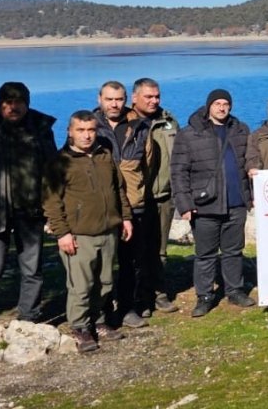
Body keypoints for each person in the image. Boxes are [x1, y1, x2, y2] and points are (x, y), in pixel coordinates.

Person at [42, 110, 133, 352]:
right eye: (81, 130)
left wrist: (125, 218)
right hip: (79, 234)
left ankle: (99, 320)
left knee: (104, 282)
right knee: (81, 285)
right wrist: (62, 233)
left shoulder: (104, 156)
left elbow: (119, 189)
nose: (87, 135)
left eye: (91, 130)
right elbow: (51, 201)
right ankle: (80, 327)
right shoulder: (59, 162)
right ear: (70, 132)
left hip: (108, 230)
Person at [0, 82, 56, 324]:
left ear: (27, 103)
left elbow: (51, 172)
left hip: (29, 211)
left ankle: (28, 315)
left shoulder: (40, 130)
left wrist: (52, 211)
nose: (13, 107)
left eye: (19, 102)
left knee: (32, 270)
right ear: (0, 104)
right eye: (8, 102)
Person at [171, 89, 255, 317]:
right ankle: (205, 296)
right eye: (217, 103)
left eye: (226, 103)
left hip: (236, 203)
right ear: (209, 106)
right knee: (205, 254)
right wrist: (184, 204)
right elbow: (178, 171)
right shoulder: (189, 134)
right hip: (205, 204)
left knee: (233, 251)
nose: (221, 107)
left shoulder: (240, 130)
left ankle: (235, 290)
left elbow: (249, 163)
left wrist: (252, 193)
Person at [93, 80, 151, 328]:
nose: (114, 104)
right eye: (109, 99)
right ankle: (102, 311)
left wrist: (139, 193)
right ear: (100, 99)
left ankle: (127, 308)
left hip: (133, 203)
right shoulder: (89, 126)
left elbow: (148, 165)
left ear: (125, 99)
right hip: (101, 207)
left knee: (131, 262)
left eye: (119, 99)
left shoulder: (139, 127)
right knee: (102, 264)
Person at [130, 78, 180, 314]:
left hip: (164, 196)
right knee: (137, 251)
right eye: (148, 96)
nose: (154, 101)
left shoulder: (168, 121)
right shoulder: (126, 123)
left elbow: (179, 157)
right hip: (137, 199)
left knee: (160, 250)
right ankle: (140, 297)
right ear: (134, 97)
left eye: (157, 96)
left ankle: (159, 293)